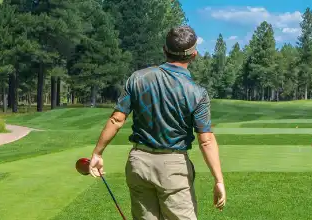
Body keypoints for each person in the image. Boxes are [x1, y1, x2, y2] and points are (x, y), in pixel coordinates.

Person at [86, 25, 226, 220]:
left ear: (164, 50)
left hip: (138, 164)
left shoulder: (138, 78)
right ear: (194, 55)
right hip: (173, 168)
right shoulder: (197, 92)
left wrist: (97, 153)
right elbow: (206, 141)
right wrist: (218, 180)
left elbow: (116, 119)